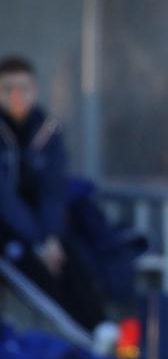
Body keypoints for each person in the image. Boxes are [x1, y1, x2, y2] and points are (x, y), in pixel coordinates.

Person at [0, 55, 106, 333]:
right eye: (8, 89)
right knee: (29, 264)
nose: (16, 96)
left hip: (41, 229)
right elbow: (5, 200)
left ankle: (100, 328)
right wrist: (37, 241)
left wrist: (49, 238)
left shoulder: (47, 130)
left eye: (23, 88)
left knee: (70, 257)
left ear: (35, 90)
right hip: (9, 231)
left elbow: (52, 192)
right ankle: (80, 337)